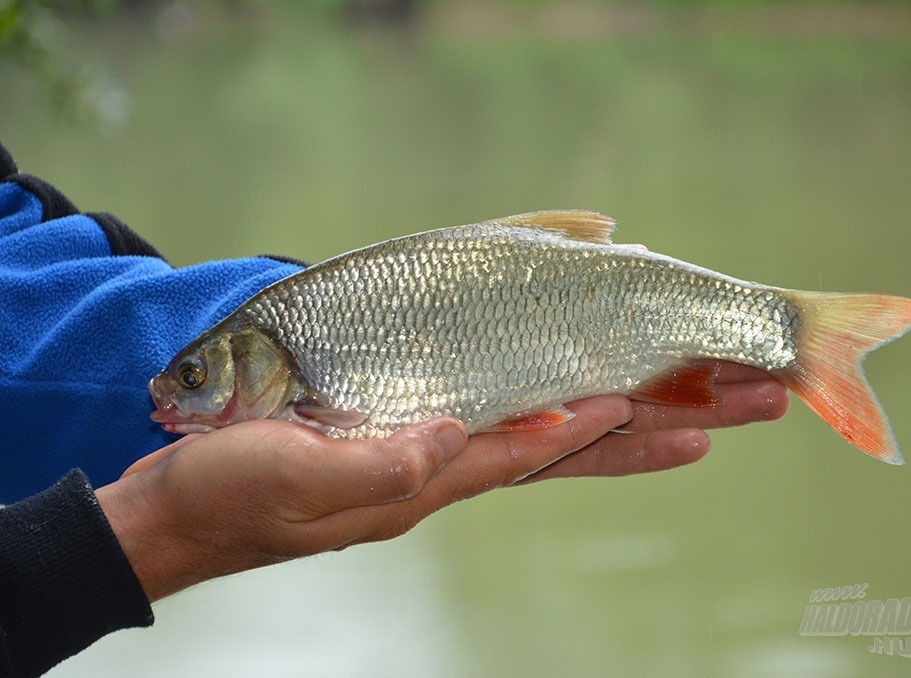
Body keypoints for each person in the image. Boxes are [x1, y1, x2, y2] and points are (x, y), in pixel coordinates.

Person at [0, 140, 788, 677]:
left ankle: (794, 333)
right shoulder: (272, 358)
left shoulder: (280, 346)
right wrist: (152, 531)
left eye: (193, 378)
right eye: (191, 378)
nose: (168, 398)